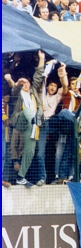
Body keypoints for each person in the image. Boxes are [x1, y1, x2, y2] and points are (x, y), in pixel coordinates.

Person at [9, 51, 46, 187]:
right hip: (21, 121)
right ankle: (34, 119)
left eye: (27, 83)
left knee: (30, 151)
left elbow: (38, 76)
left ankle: (21, 177)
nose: (26, 84)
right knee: (27, 111)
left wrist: (41, 58)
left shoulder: (33, 92)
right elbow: (14, 91)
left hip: (32, 127)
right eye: (23, 83)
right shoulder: (18, 93)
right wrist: (18, 84)